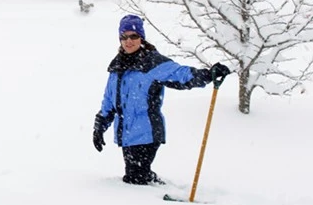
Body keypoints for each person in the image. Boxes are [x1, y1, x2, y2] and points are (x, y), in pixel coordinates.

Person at [92, 14, 230, 185]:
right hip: (126, 134)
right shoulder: (117, 67)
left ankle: (156, 204)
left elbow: (181, 75)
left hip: (147, 132)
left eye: (133, 36)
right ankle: (156, 189)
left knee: (135, 178)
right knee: (136, 177)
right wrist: (100, 126)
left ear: (141, 38)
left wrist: (208, 74)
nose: (129, 41)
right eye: (124, 37)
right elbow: (109, 101)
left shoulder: (152, 63)